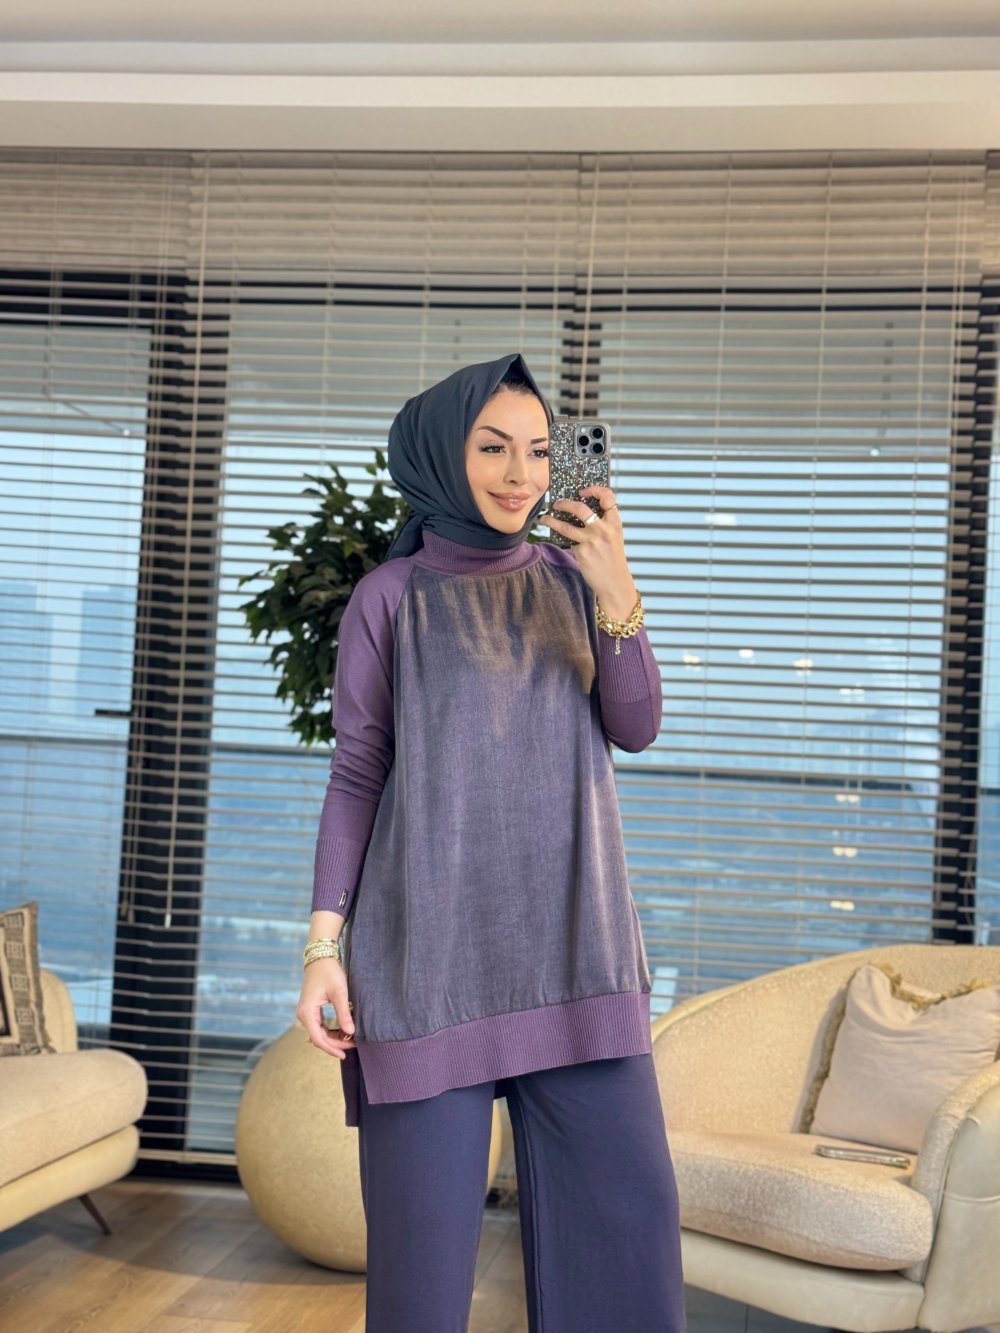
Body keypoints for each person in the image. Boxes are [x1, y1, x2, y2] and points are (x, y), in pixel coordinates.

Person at [296, 352, 687, 1333]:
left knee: (628, 1264)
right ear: (442, 453)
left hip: (577, 961)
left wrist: (615, 583)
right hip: (425, 971)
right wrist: (321, 950)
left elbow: (636, 724)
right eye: (493, 447)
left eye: (539, 452)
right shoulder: (389, 598)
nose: (520, 474)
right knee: (420, 1288)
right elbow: (357, 775)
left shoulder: (574, 581)